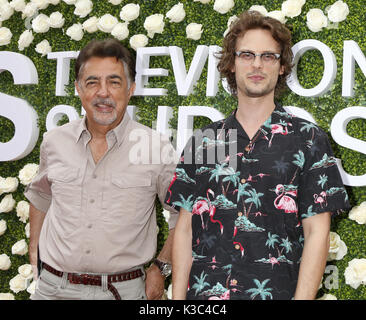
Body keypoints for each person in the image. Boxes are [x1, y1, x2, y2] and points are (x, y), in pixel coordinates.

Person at [165, 11, 350, 300]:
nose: (257, 64)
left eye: (268, 56)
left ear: (281, 67)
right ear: (232, 63)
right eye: (247, 54)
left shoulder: (309, 139)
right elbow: (186, 231)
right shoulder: (203, 142)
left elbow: (318, 234)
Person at [25, 39, 178, 300]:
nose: (103, 92)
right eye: (92, 82)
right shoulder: (55, 141)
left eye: (114, 82)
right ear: (78, 88)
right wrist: (34, 252)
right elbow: (41, 197)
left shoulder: (156, 147)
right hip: (52, 290)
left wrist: (161, 267)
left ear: (131, 89)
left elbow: (184, 213)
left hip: (123, 292)